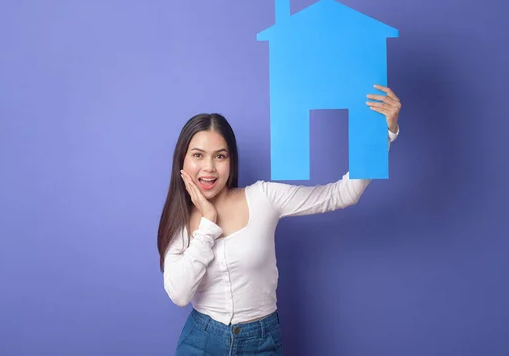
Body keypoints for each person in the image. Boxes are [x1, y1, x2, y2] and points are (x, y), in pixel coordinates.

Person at [157, 85, 402, 355]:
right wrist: (208, 223)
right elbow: (179, 295)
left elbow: (340, 194)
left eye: (220, 156)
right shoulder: (179, 218)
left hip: (260, 343)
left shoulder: (264, 197)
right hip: (200, 342)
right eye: (198, 155)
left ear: (231, 160)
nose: (209, 167)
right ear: (183, 159)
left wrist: (384, 134)